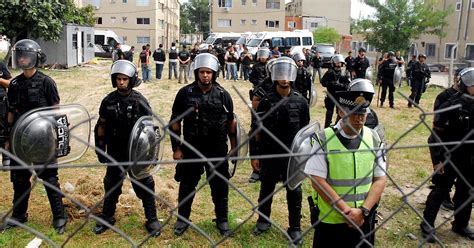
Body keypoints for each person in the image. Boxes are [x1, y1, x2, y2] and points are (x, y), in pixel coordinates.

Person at [305, 79, 387, 247]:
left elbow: (380, 179)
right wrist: (347, 212)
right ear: (341, 112)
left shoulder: (374, 137)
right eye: (354, 113)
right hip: (331, 222)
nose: (359, 119)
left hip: (364, 219)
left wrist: (363, 211)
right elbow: (317, 182)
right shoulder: (322, 139)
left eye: (363, 114)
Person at [1, 39, 67, 234]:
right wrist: (7, 141)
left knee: (49, 179)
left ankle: (59, 216)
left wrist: (59, 140)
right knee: (20, 179)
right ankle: (19, 215)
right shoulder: (14, 84)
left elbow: (56, 113)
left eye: (26, 55)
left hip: (43, 140)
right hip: (20, 139)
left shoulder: (47, 82)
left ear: (35, 58)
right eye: (19, 55)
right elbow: (11, 114)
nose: (22, 58)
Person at [169, 53, 237, 236]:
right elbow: (175, 122)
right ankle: (182, 219)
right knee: (187, 184)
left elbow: (232, 123)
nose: (205, 75)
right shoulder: (185, 94)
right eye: (202, 72)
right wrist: (176, 147)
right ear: (197, 72)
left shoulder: (223, 95)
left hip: (217, 148)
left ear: (214, 74)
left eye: (209, 72)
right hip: (192, 147)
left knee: (220, 185)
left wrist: (234, 147)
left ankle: (222, 220)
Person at [92, 60, 161, 236]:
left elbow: (150, 129)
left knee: (145, 185)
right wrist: (100, 148)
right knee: (111, 185)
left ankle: (152, 220)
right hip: (115, 151)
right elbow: (101, 125)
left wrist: (150, 153)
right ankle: (107, 218)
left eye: (124, 79)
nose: (121, 82)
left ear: (131, 80)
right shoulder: (108, 101)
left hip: (136, 153)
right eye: (118, 79)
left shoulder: (140, 101)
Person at [250, 57, 309, 245]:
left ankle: (295, 227)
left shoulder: (301, 101)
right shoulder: (266, 101)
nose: (284, 78)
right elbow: (257, 130)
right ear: (275, 75)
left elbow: (305, 131)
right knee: (266, 188)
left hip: (292, 156)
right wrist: (255, 155)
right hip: (270, 153)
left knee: (294, 190)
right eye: (280, 73)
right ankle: (263, 221)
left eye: (287, 73)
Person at [421, 67, 474, 243]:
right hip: (449, 157)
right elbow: (434, 136)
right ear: (465, 85)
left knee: (466, 192)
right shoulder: (449, 104)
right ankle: (427, 225)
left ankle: (461, 224)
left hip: (470, 159)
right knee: (440, 190)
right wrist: (437, 161)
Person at [321, 54, 350, 128]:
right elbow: (323, 82)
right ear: (333, 63)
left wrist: (341, 85)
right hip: (331, 95)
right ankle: (326, 127)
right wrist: (331, 84)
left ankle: (338, 127)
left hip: (340, 95)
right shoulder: (329, 72)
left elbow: (348, 84)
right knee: (329, 112)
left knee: (340, 112)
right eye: (337, 62)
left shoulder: (344, 73)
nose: (339, 64)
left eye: (340, 63)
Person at [0, 60, 11, 166]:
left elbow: (9, 83)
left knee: (4, 130)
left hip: (1, 102)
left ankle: (6, 156)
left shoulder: (0, 64)